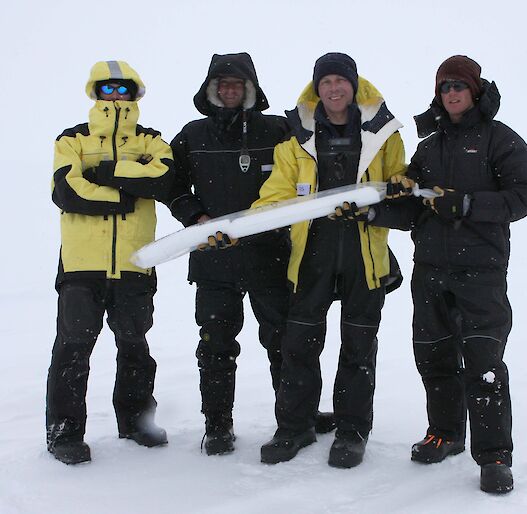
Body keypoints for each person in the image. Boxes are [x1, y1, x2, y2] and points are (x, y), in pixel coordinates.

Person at [379, 55, 527, 493]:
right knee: (434, 357)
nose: (451, 94)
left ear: (474, 91)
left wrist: (468, 204)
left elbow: (524, 195)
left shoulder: (499, 140)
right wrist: (379, 208)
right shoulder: (429, 147)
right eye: (444, 87)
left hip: (480, 271)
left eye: (459, 86)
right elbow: (414, 209)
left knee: (484, 364)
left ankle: (494, 457)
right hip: (430, 269)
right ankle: (445, 434)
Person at [166, 52, 335, 456]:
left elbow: (312, 157)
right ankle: (218, 426)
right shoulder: (192, 135)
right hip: (213, 261)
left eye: (237, 84)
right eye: (221, 84)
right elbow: (172, 187)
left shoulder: (276, 130)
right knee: (215, 345)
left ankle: (297, 418)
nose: (228, 90)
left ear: (251, 89)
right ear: (210, 90)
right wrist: (197, 216)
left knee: (284, 342)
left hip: (269, 258)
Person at [256, 52, 407, 468]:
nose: (334, 89)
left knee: (359, 346)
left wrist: (396, 190)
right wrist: (241, 225)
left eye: (341, 81)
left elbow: (401, 185)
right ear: (316, 89)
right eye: (326, 83)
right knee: (298, 345)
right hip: (311, 256)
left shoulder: (384, 134)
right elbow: (275, 195)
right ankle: (295, 426)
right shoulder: (296, 139)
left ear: (353, 86)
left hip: (364, 255)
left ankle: (352, 431)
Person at [47, 60, 174, 465]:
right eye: (108, 89)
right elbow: (67, 190)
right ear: (95, 92)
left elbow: (163, 179)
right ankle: (64, 434)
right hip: (82, 266)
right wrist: (123, 193)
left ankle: (137, 422)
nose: (115, 96)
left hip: (136, 263)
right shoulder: (72, 139)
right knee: (73, 349)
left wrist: (103, 172)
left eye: (123, 89)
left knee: (135, 345)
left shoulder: (152, 139)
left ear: (135, 93)